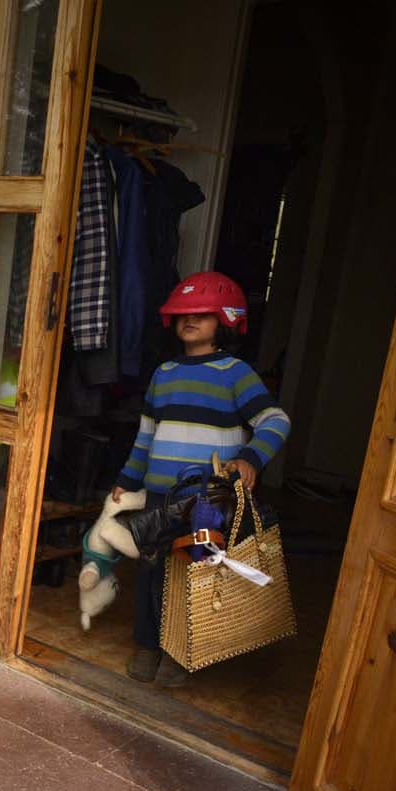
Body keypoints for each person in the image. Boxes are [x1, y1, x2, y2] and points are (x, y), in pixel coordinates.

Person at [111, 272, 291, 687]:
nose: (190, 321)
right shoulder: (164, 373)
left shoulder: (235, 373)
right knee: (152, 570)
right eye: (183, 314)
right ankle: (147, 644)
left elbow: (275, 421)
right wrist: (127, 478)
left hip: (207, 500)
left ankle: (182, 651)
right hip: (160, 495)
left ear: (225, 321)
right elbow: (145, 435)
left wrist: (250, 458)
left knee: (197, 573)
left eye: (202, 314)